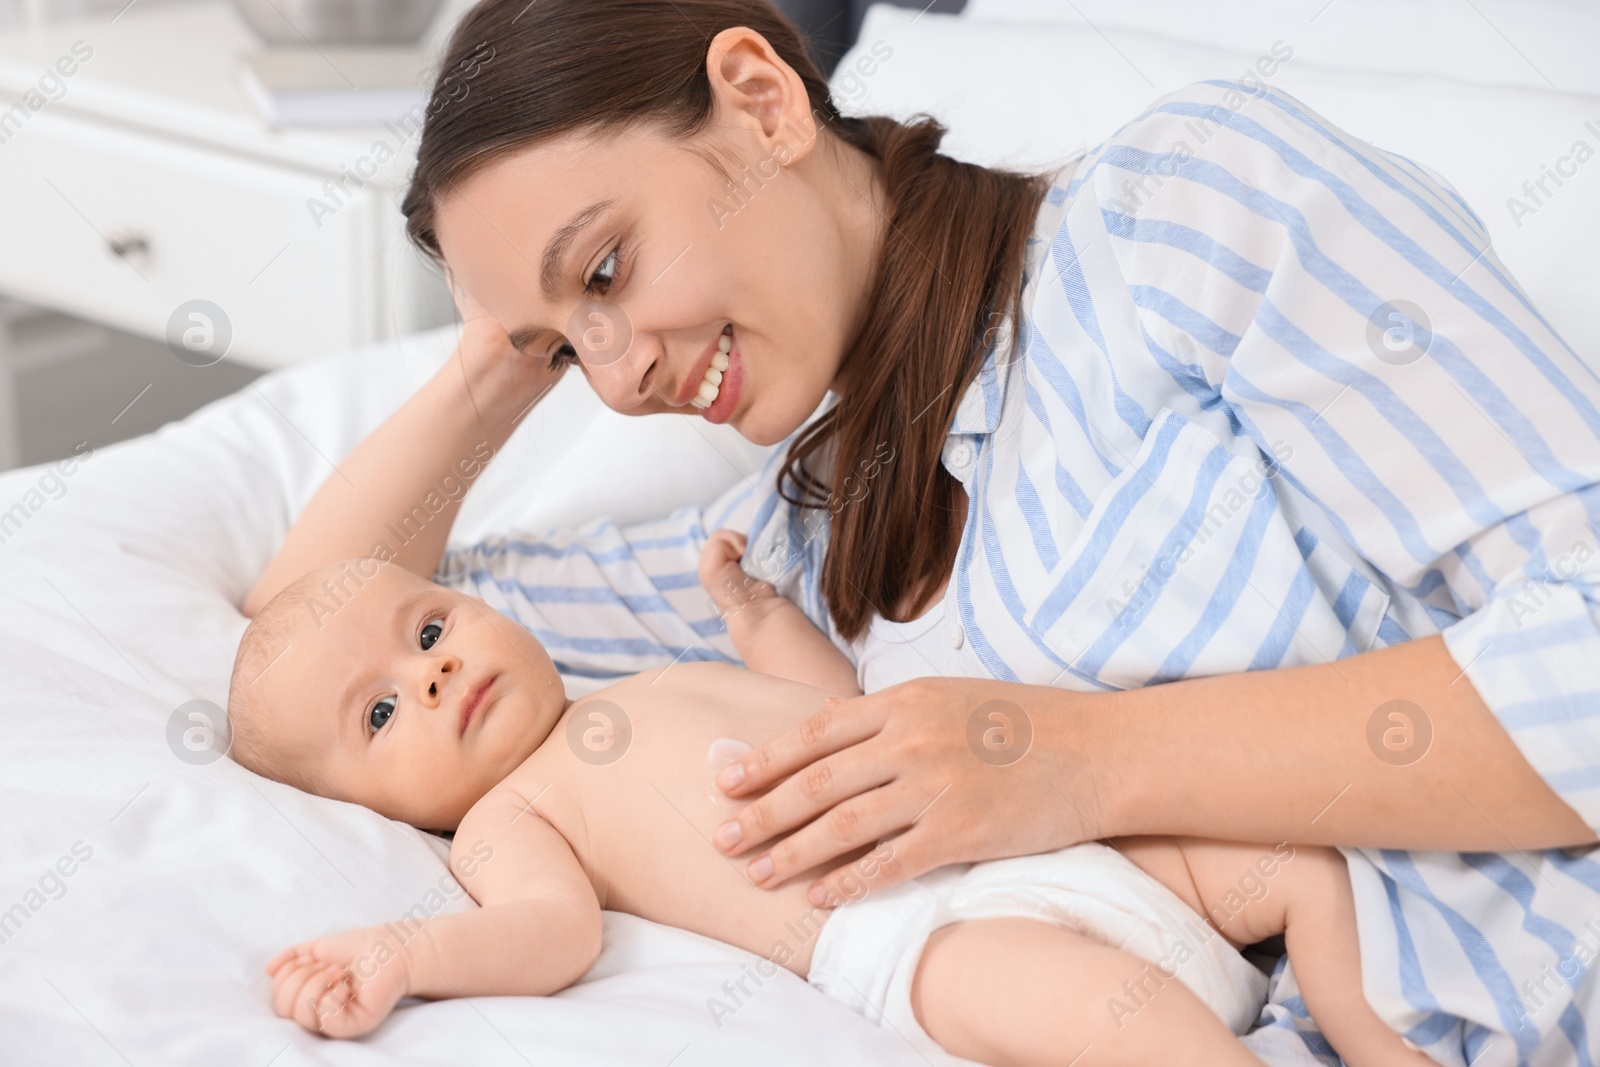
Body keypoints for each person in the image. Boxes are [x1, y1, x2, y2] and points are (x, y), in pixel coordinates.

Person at [264, 0, 1600, 1058]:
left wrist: (1076, 757)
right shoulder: (787, 548)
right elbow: (319, 625)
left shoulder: (1182, 215)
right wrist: (497, 356)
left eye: (608, 266)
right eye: (571, 346)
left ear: (765, 99)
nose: (618, 380)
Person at [231, 330, 1430, 1065]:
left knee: (1300, 863)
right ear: (372, 804)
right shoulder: (508, 820)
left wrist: (762, 622)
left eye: (430, 626)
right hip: (910, 932)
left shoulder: (644, 673)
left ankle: (1378, 1046)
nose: (432, 670)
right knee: (1106, 1021)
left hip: (1029, 825)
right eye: (382, 714)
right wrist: (407, 952)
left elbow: (837, 710)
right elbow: (551, 931)